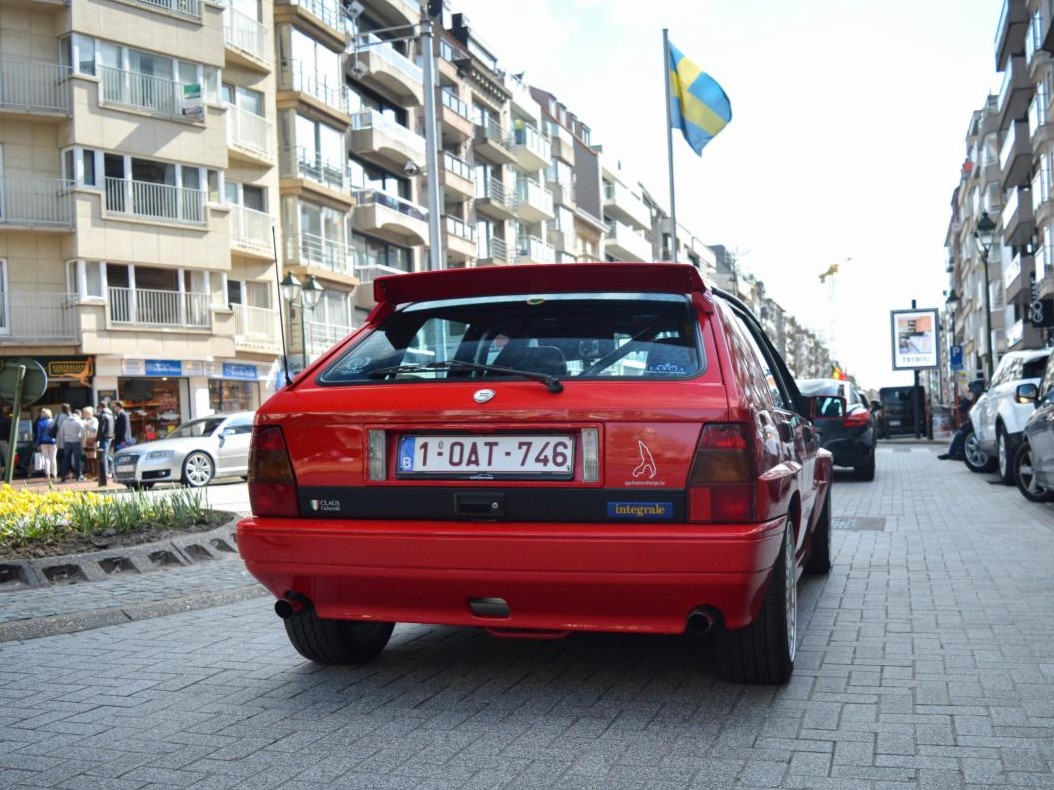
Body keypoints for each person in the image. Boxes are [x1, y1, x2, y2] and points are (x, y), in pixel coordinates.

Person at [938, 381, 984, 460]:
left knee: (960, 434)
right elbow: (964, 407)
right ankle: (952, 453)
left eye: (971, 391)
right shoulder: (970, 401)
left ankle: (957, 454)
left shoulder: (980, 401)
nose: (970, 393)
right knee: (959, 433)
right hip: (973, 425)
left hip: (977, 426)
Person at [58, 406, 86, 482]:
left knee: (66, 459)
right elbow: (83, 433)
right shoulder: (79, 421)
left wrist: (64, 440)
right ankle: (78, 476)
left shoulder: (65, 421)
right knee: (77, 459)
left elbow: (61, 432)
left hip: (67, 442)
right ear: (79, 414)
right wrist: (81, 440)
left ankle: (63, 476)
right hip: (76, 442)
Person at [33, 407, 58, 481]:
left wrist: (37, 444)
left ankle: (47, 473)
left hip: (43, 442)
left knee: (46, 458)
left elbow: (39, 434)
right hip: (53, 442)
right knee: (53, 458)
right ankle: (54, 473)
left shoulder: (40, 422)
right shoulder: (53, 421)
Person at [96, 401, 115, 485]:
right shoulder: (111, 414)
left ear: (101, 406)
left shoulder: (103, 415)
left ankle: (105, 473)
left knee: (103, 455)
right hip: (110, 436)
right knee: (106, 454)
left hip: (104, 437)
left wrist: (97, 438)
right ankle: (112, 469)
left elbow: (101, 429)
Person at [82, 406, 99, 481]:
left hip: (92, 440)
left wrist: (87, 426)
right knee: (88, 458)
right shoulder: (85, 420)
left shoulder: (94, 420)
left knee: (93, 457)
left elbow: (94, 429)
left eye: (85, 413)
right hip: (86, 441)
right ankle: (90, 472)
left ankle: (95, 473)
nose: (84, 414)